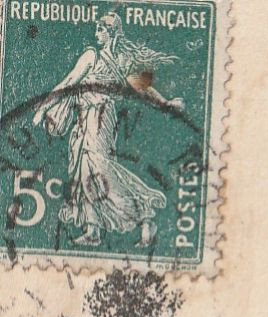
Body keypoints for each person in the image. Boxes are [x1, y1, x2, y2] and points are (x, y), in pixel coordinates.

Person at [32, 13, 184, 248]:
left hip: (101, 117)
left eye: (101, 29)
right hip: (85, 118)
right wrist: (45, 107)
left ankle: (144, 215)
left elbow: (143, 87)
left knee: (100, 168)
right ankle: (93, 230)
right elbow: (69, 82)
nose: (96, 33)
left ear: (111, 32)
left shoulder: (113, 59)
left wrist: (165, 103)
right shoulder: (94, 56)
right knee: (85, 171)